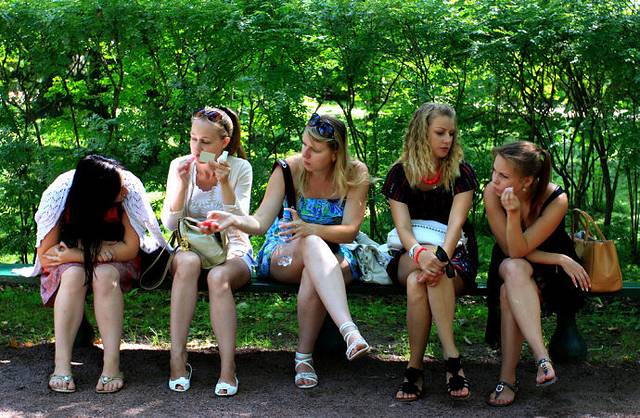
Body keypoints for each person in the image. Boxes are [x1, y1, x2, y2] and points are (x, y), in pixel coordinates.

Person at [200, 112, 371, 389]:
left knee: (314, 267)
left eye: (315, 149)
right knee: (311, 244)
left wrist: (310, 228)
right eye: (304, 144)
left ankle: (304, 358)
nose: (305, 153)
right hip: (284, 253)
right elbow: (260, 222)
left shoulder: (355, 173)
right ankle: (348, 331)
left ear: (335, 153)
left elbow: (350, 230)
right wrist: (233, 219)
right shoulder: (288, 169)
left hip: (336, 255)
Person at [27, 154, 166, 394]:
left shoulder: (130, 191)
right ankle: (62, 365)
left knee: (104, 275)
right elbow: (47, 254)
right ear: (97, 194)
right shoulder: (59, 194)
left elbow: (130, 248)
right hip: (69, 262)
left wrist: (79, 254)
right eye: (118, 189)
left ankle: (111, 365)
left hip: (113, 261)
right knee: (74, 276)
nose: (125, 190)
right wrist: (83, 256)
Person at [382, 102, 478, 402]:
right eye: (440, 133)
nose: (447, 139)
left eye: (451, 133)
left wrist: (439, 258)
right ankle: (452, 361)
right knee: (421, 273)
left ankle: (415, 367)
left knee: (419, 281)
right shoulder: (399, 174)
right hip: (410, 252)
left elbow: (456, 225)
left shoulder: (461, 173)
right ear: (421, 133)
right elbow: (402, 228)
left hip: (453, 252)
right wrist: (420, 254)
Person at [484, 141, 591, 407]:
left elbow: (523, 247)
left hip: (551, 275)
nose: (494, 180)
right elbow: (512, 250)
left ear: (527, 181)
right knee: (513, 268)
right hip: (518, 260)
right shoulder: (492, 193)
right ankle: (542, 358)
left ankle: (507, 379)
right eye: (494, 171)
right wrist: (513, 213)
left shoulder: (557, 199)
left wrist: (557, 258)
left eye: (503, 175)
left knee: (508, 291)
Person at [161, 106, 253, 397]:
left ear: (224, 142)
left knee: (217, 278)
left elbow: (241, 222)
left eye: (205, 141)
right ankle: (177, 359)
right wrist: (182, 184)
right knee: (187, 262)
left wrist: (224, 182)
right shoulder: (180, 165)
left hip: (231, 250)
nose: (197, 147)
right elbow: (170, 224)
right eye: (193, 139)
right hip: (190, 248)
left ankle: (227, 367)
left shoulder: (240, 168)